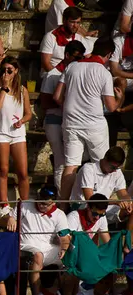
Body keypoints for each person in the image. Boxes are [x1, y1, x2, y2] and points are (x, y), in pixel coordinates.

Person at [54, 38, 122, 207]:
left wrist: (73, 106)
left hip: (71, 122)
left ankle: (63, 207)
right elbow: (111, 107)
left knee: (70, 166)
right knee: (103, 165)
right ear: (109, 55)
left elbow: (56, 96)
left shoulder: (71, 67)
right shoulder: (104, 72)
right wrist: (120, 99)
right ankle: (98, 208)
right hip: (94, 125)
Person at [0, 185, 70, 295]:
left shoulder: (59, 214)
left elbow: (65, 238)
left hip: (47, 246)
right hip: (26, 244)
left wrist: (64, 248)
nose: (41, 205)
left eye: (45, 204)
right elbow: (1, 221)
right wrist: (9, 218)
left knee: (69, 257)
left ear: (53, 203)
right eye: (39, 201)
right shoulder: (25, 204)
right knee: (38, 255)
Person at [39, 40, 86, 194]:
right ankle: (61, 199)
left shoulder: (77, 74)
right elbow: (44, 102)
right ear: (66, 55)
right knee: (61, 162)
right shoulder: (52, 75)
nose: (78, 62)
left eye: (80, 58)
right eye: (75, 57)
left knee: (71, 162)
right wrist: (65, 103)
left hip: (70, 122)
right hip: (54, 121)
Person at [0, 57, 31, 208]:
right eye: (3, 70)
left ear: (16, 71)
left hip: (17, 132)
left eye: (9, 70)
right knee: (4, 170)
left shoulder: (22, 90)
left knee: (23, 172)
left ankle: (25, 205)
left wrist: (22, 121)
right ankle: (4, 204)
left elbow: (28, 113)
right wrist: (5, 88)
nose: (5, 73)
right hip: (0, 131)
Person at [40, 7, 88, 75]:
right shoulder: (50, 37)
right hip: (52, 76)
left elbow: (88, 59)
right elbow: (46, 64)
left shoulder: (80, 38)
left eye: (78, 22)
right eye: (72, 22)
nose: (75, 26)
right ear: (64, 21)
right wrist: (61, 78)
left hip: (73, 76)